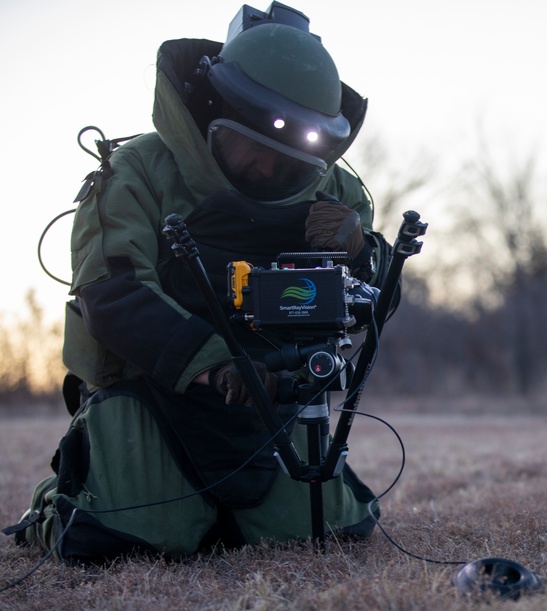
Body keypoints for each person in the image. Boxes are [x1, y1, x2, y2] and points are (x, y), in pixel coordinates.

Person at [4, 2, 387, 563]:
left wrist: (363, 256)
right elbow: (111, 296)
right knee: (123, 540)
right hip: (153, 392)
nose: (263, 170)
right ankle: (58, 502)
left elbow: (371, 309)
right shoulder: (135, 172)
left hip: (274, 401)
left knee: (326, 532)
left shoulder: (341, 198)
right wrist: (218, 367)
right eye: (249, 148)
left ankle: (228, 509)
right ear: (214, 115)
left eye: (285, 163)